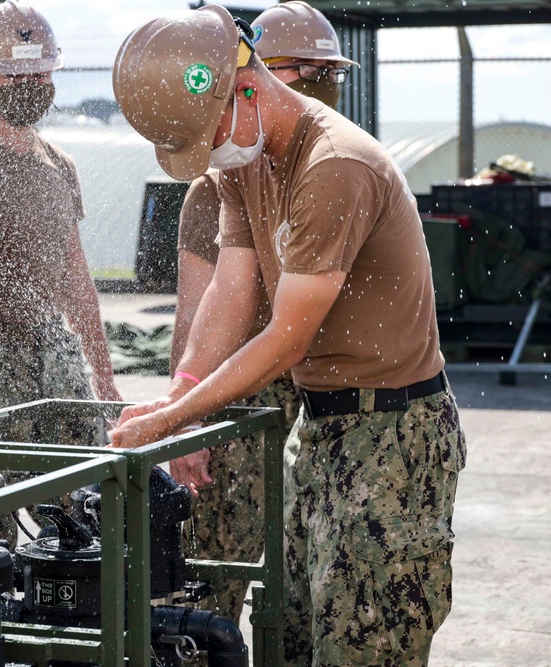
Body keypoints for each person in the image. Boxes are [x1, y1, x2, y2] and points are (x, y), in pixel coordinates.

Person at [111, 6, 467, 666]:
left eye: (209, 133)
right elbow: (230, 289)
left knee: (365, 644)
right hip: (326, 433)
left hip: (393, 435)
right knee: (297, 636)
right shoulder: (247, 162)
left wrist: (176, 420)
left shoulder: (335, 166)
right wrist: (182, 390)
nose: (211, 151)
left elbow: (286, 339)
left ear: (245, 86)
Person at [170, 0, 358, 624]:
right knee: (216, 581)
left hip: (317, 402)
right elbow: (200, 310)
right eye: (308, 73)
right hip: (241, 403)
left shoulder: (334, 166)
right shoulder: (221, 178)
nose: (323, 88)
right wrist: (185, 421)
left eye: (329, 74)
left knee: (300, 590)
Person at [0, 1, 119, 529]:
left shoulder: (60, 165)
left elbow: (77, 279)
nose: (33, 84)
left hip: (52, 352)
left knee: (83, 507)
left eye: (41, 73)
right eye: (19, 75)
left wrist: (103, 380)